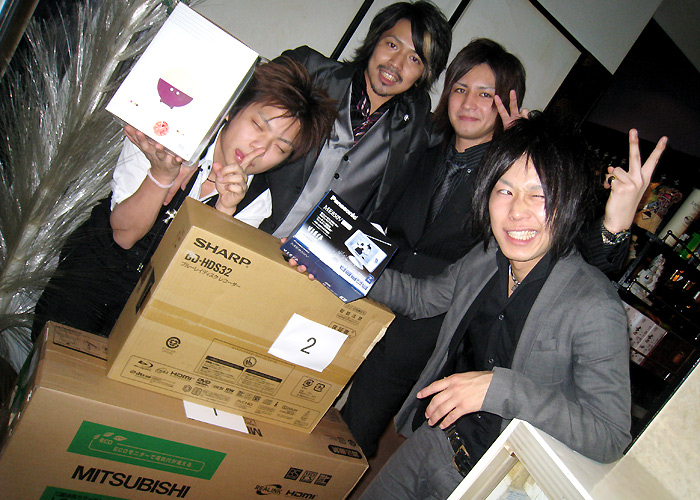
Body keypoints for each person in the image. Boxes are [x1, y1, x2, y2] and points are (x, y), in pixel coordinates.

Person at [341, 38, 648, 458]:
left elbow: (570, 259)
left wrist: (614, 225)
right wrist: (337, 260)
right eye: (460, 88)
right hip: (381, 297)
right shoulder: (421, 148)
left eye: (486, 94)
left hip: (432, 340)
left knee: (354, 431)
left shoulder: (510, 185)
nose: (469, 103)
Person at [357, 112, 668, 499]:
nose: (517, 211)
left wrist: (502, 389)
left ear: (570, 203)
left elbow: (608, 435)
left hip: (494, 481)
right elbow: (422, 298)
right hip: (435, 439)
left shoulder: (593, 305)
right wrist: (340, 268)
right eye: (504, 191)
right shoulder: (487, 257)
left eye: (539, 195)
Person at [31, 57, 337, 339]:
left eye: (279, 148)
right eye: (258, 125)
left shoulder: (259, 200)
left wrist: (225, 209)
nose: (259, 148)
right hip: (88, 277)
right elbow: (124, 235)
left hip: (145, 309)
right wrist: (160, 176)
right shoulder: (169, 132)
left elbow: (195, 278)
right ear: (232, 111)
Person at [235, 1, 452, 237]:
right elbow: (237, 101)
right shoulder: (310, 70)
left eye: (414, 59)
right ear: (374, 41)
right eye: (392, 45)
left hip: (313, 256)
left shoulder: (416, 128)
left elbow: (466, 140)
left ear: (424, 75)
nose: (396, 64)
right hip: (242, 220)